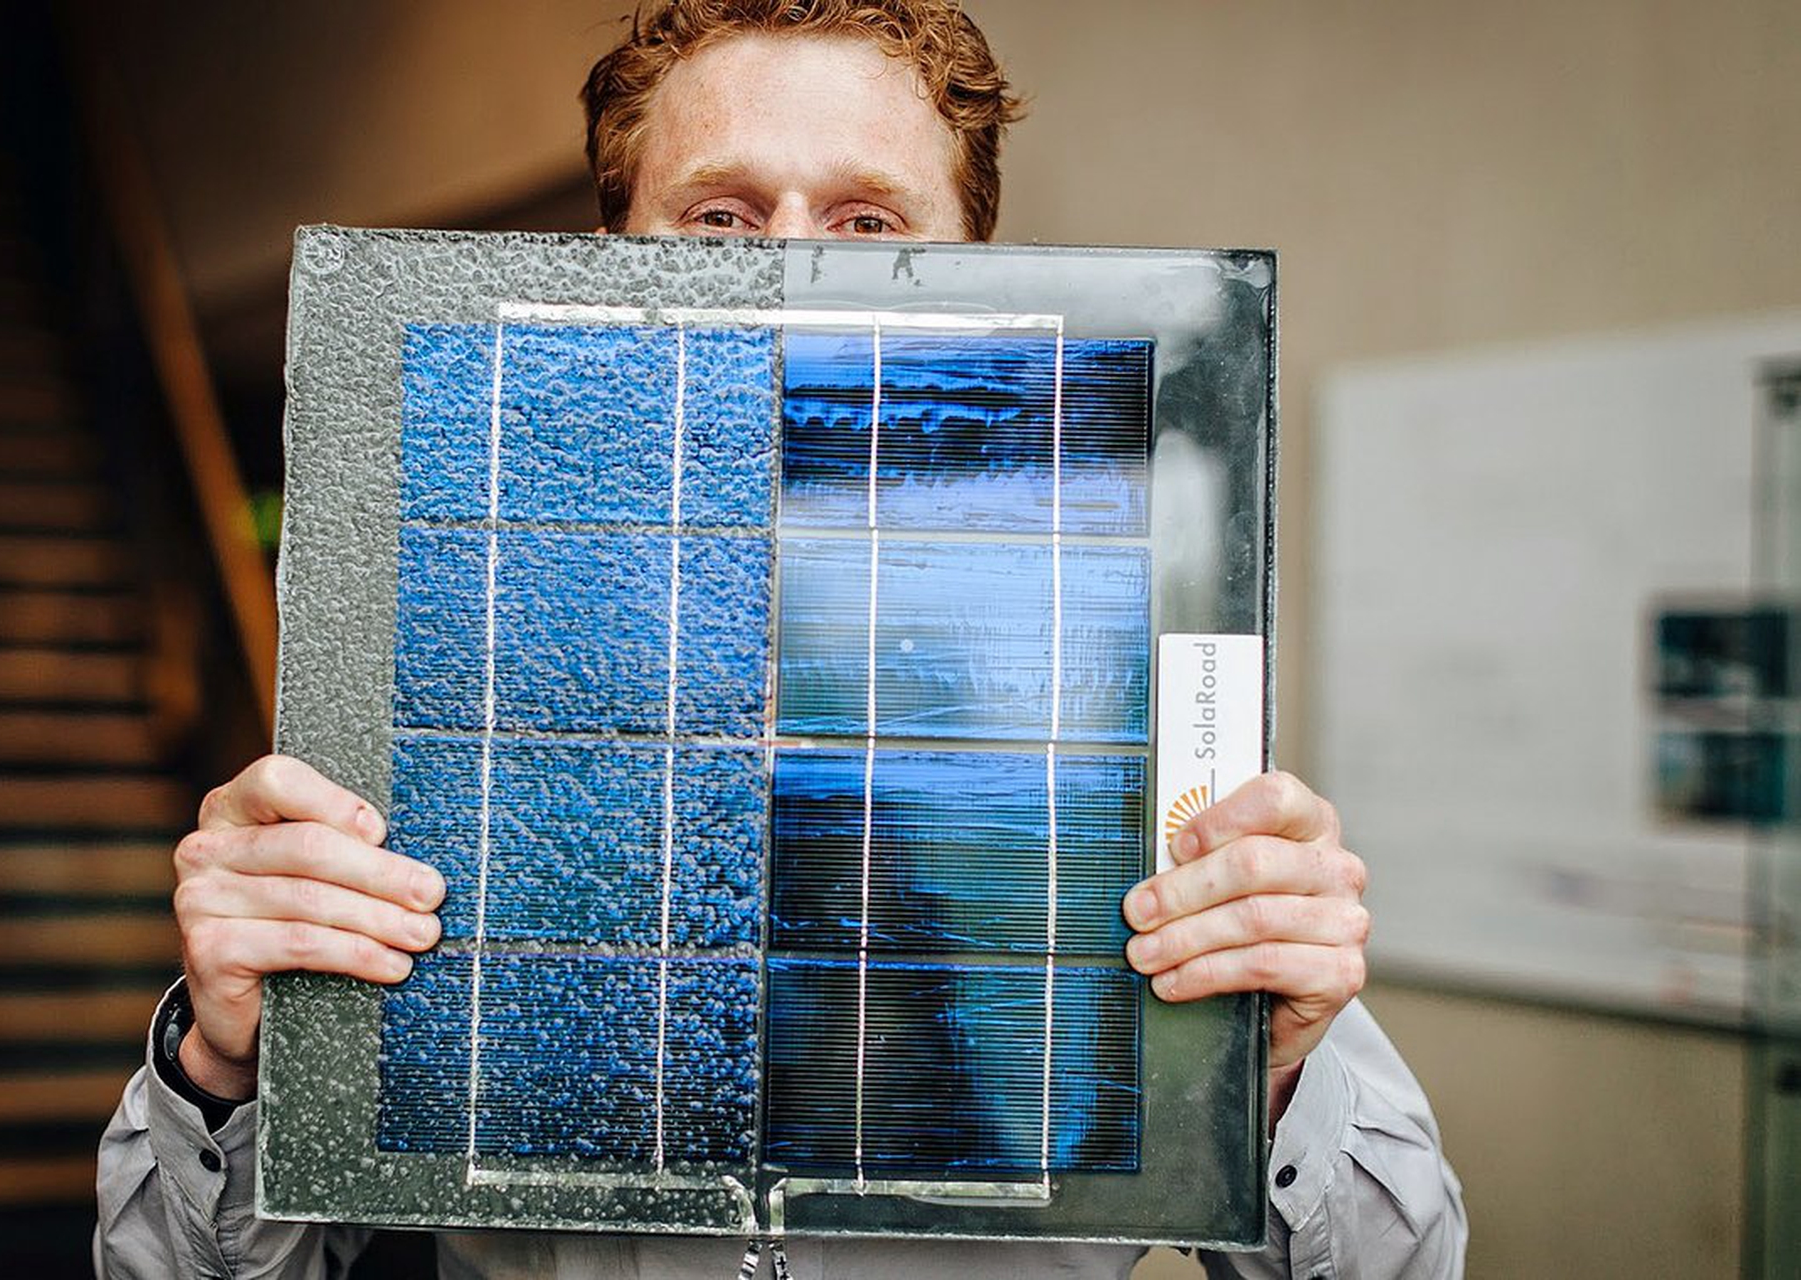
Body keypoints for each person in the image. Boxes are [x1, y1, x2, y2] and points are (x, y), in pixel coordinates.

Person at [96, 3, 1466, 1277]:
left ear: (981, 273)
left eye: (870, 222)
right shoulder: (450, 660)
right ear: (609, 257)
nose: (796, 268)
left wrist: (1273, 1074)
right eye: (721, 217)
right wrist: (226, 1072)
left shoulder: (1112, 692)